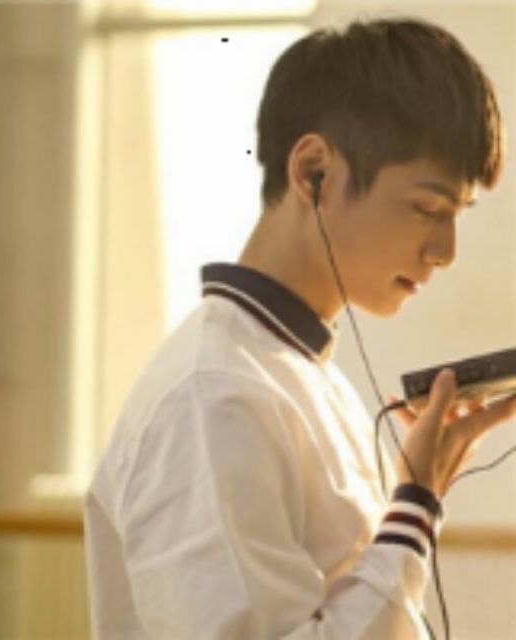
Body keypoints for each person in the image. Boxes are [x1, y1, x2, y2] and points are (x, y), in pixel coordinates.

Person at [83, 16, 516, 639]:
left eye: (458, 215)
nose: (446, 251)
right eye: (426, 208)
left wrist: (421, 496)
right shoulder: (214, 395)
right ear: (314, 172)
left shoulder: (298, 373)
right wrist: (415, 505)